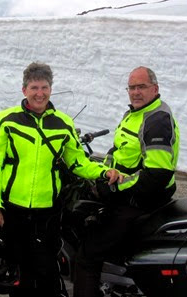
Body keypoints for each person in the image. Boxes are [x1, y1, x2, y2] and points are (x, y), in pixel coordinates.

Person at [0, 62, 120, 297]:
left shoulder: (63, 123)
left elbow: (77, 162)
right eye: (34, 87)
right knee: (21, 273)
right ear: (24, 90)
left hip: (47, 212)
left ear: (51, 89)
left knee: (46, 271)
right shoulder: (7, 121)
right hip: (13, 209)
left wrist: (102, 172)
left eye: (44, 87)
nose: (39, 93)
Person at [73, 66, 180, 297]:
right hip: (134, 195)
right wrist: (100, 170)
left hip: (141, 200)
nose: (136, 92)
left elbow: (157, 174)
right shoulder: (135, 113)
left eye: (141, 87)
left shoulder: (156, 120)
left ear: (155, 88)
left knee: (88, 254)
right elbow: (121, 152)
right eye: (131, 87)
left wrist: (113, 187)